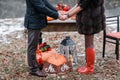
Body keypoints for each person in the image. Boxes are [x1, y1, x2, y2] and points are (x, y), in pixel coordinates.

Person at [62, 0, 105, 74]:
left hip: (90, 20)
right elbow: (79, 4)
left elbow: (82, 5)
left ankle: (90, 68)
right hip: (91, 19)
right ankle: (88, 65)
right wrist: (67, 13)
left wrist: (67, 16)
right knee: (88, 44)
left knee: (89, 44)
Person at [24, 0, 64, 77]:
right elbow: (41, 7)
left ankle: (35, 64)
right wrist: (57, 15)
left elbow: (45, 2)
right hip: (33, 22)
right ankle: (33, 69)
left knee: (35, 46)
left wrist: (57, 11)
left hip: (37, 21)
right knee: (32, 46)